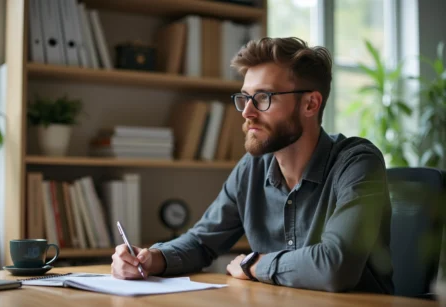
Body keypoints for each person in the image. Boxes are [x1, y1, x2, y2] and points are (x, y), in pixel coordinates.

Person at [111, 37, 394, 294]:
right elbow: (201, 243)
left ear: (310, 104)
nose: (247, 112)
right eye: (245, 98)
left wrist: (255, 264)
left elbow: (336, 266)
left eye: (263, 98)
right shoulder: (253, 168)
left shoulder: (358, 163)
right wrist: (152, 259)